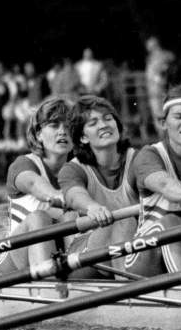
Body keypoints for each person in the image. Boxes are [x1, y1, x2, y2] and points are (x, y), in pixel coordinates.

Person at [124, 85, 181, 276]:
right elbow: (163, 183)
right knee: (169, 221)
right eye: (179, 117)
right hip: (147, 255)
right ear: (163, 122)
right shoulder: (149, 154)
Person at [58, 96, 139, 278]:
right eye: (93, 123)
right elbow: (74, 195)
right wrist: (92, 207)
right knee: (123, 221)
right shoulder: (72, 169)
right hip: (84, 256)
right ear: (83, 137)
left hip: (130, 244)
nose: (104, 125)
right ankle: (128, 291)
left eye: (108, 119)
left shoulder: (138, 159)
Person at [0, 97, 75, 274]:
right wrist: (58, 196)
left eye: (68, 126)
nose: (63, 132)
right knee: (39, 218)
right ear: (39, 134)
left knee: (72, 217)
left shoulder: (79, 170)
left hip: (58, 255)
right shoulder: (23, 165)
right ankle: (50, 288)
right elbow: (33, 184)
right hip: (13, 260)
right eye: (54, 125)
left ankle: (79, 280)